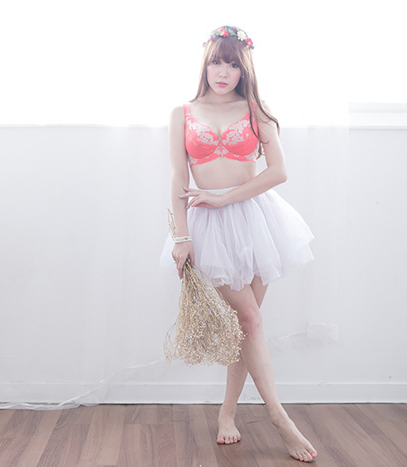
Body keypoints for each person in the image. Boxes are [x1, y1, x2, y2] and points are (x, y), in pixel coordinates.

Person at [166, 26, 317, 463]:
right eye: (216, 61)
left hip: (256, 221)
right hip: (208, 228)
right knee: (248, 319)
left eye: (232, 64)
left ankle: (228, 412)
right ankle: (279, 418)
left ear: (243, 69)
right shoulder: (183, 112)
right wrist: (181, 236)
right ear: (205, 64)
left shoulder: (256, 111)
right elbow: (178, 177)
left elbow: (278, 172)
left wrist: (224, 197)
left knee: (245, 326)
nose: (223, 71)